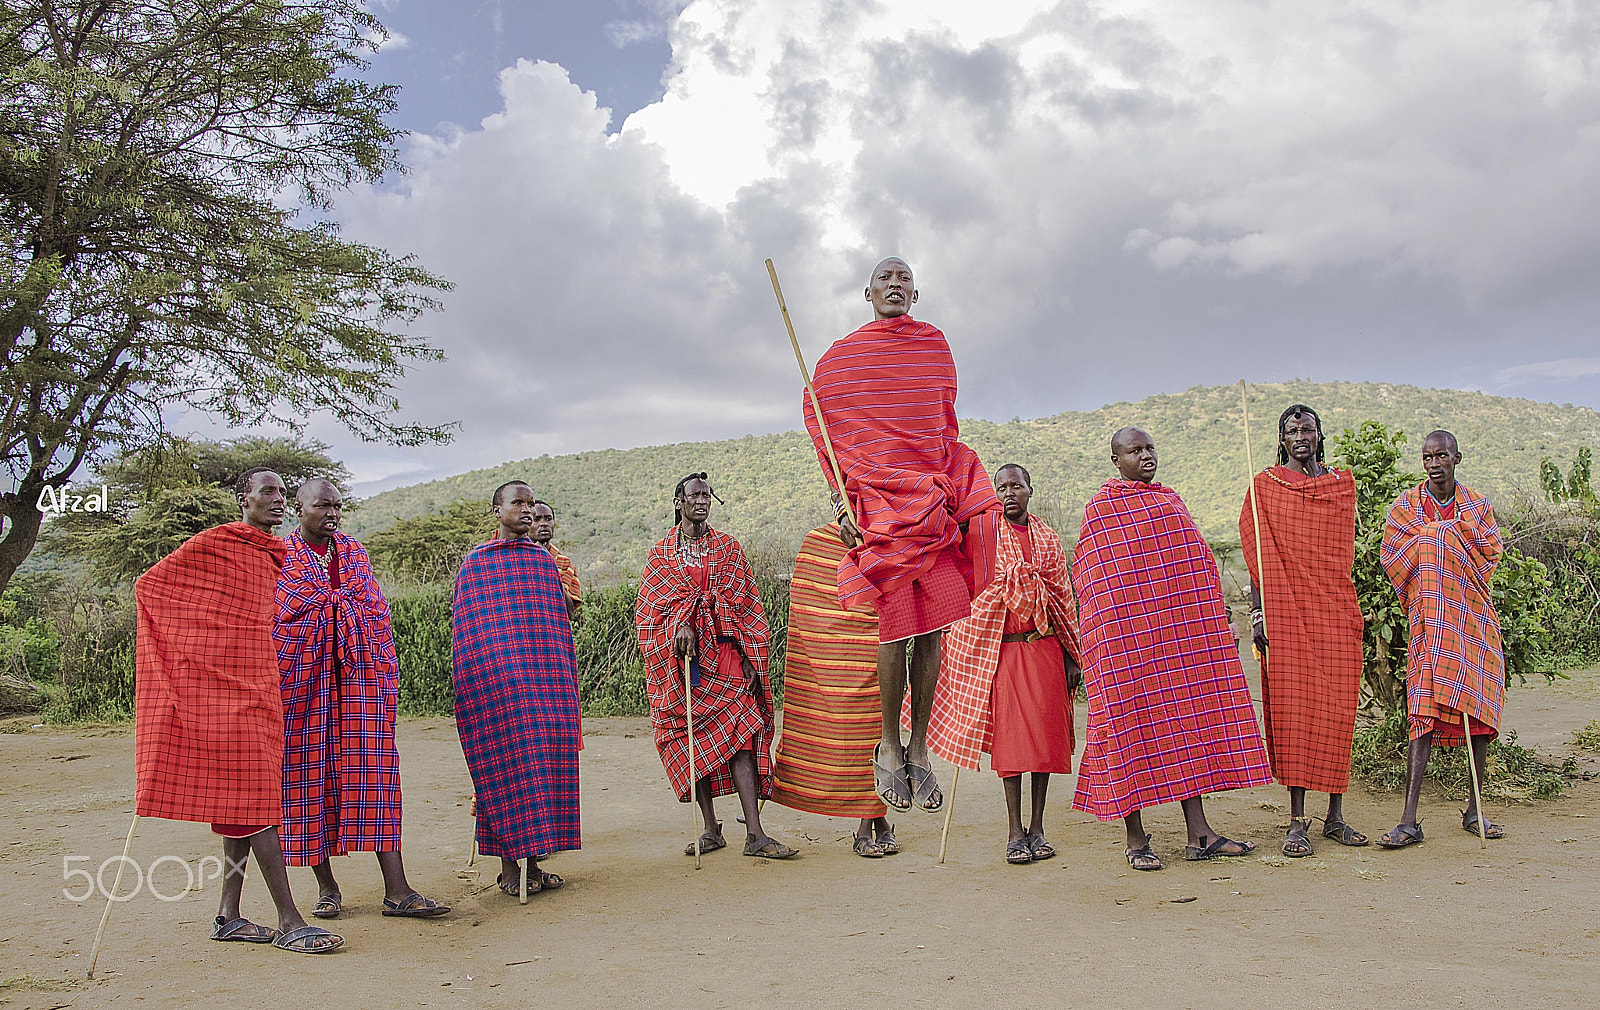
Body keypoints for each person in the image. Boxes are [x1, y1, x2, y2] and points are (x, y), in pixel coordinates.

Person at [801, 256, 999, 815]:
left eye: (904, 278)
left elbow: (943, 423)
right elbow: (828, 432)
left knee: (932, 629)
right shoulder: (842, 359)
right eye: (885, 278)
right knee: (895, 628)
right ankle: (888, 742)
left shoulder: (933, 345)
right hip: (879, 506)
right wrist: (844, 501)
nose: (895, 285)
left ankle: (919, 747)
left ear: (916, 292)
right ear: (868, 292)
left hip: (930, 499)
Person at [134, 467, 341, 953]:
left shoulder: (277, 553)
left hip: (259, 683)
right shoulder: (213, 543)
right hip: (220, 690)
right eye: (266, 491)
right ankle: (290, 921)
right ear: (241, 499)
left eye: (281, 493)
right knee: (258, 800)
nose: (277, 499)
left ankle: (228, 915)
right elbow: (150, 587)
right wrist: (196, 655)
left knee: (237, 807)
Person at [1072, 428, 1273, 870]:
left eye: (1150, 448)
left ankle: (1199, 834)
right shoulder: (1101, 512)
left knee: (1187, 725)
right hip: (1123, 647)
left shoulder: (1170, 504)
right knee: (1125, 728)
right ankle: (1135, 838)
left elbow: (1195, 569)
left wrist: (1211, 623)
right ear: (1115, 460)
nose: (1146, 456)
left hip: (1177, 642)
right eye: (1134, 451)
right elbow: (1094, 582)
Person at [274, 478, 449, 917]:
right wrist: (329, 612)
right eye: (321, 506)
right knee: (308, 779)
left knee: (374, 775)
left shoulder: (353, 553)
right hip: (304, 686)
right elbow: (279, 620)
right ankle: (327, 886)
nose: (331, 514)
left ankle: (397, 889)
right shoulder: (282, 558)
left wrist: (339, 614)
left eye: (337, 506)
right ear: (299, 508)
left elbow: (374, 612)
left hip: (359, 684)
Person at [635, 473, 796, 860]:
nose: (702, 501)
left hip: (726, 652)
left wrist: (752, 655)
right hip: (684, 662)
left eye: (708, 495)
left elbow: (748, 602)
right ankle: (710, 828)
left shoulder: (727, 548)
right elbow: (649, 611)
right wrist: (680, 623)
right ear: (679, 502)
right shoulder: (662, 554)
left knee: (740, 733)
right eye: (694, 496)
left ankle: (755, 833)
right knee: (692, 735)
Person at [926, 464, 1082, 864]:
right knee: (1011, 744)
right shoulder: (984, 533)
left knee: (1045, 743)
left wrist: (1070, 655)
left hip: (1045, 648)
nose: (1009, 493)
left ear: (1031, 489)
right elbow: (965, 580)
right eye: (1001, 487)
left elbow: (1062, 600)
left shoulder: (1048, 539)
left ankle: (1038, 829)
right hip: (1002, 649)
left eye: (1017, 486)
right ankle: (1015, 833)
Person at [1239, 405, 1368, 857]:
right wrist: (1258, 616)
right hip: (1286, 617)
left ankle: (1335, 815)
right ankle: (1297, 821)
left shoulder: (1339, 487)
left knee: (1336, 711)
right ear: (1280, 437)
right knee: (1296, 712)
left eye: (1307, 429)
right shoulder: (1266, 488)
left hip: (1335, 612)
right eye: (1291, 430)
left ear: (1319, 434)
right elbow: (1257, 558)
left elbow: (1341, 556)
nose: (1300, 435)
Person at [1376, 430, 1506, 848]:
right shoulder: (1406, 508)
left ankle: (1475, 810)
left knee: (1478, 712)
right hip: (1428, 625)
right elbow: (1392, 557)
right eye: (1427, 457)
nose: (1434, 463)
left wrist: (1443, 537)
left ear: (1457, 458)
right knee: (1423, 710)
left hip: (1472, 621)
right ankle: (1409, 820)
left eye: (1442, 456)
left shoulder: (1479, 508)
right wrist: (1438, 537)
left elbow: (1488, 556)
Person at [452, 480, 582, 896]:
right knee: (506, 769)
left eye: (531, 504)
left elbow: (554, 628)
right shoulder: (476, 565)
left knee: (542, 767)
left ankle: (535, 865)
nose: (526, 511)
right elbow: (469, 633)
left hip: (543, 682)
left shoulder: (544, 563)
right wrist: (491, 677)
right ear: (497, 510)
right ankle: (510, 868)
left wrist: (558, 683)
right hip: (497, 686)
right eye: (518, 503)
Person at [771, 524, 897, 857]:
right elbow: (805, 605)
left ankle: (865, 828)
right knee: (848, 737)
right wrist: (827, 647)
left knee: (874, 733)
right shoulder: (818, 543)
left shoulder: (887, 539)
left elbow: (897, 593)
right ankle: (880, 821)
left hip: (877, 653)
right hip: (836, 660)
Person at [530, 500, 582, 622]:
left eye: (548, 519)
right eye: (536, 519)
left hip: (552, 630)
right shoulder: (515, 558)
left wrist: (546, 564)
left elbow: (569, 612)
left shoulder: (563, 563)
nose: (544, 524)